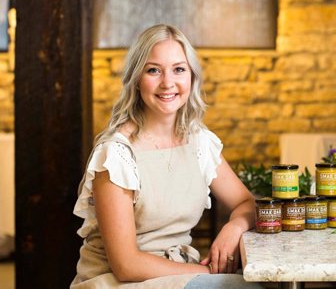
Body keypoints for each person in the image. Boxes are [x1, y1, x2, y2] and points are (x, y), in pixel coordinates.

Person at [71, 24, 263, 288]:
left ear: (192, 78)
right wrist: (207, 274)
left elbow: (246, 202)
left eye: (179, 69)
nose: (168, 82)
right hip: (119, 282)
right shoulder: (116, 154)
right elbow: (126, 265)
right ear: (137, 79)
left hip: (178, 274)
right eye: (153, 70)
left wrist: (234, 228)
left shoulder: (198, 141)